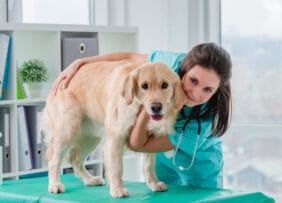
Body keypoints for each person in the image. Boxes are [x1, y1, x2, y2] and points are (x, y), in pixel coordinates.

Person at [52, 42, 232, 189]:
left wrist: (148, 107)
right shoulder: (166, 67)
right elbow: (128, 57)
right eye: (193, 80)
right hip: (163, 166)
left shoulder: (205, 122)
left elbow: (139, 145)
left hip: (199, 168)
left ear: (217, 90)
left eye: (207, 90)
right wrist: (82, 62)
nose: (195, 93)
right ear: (185, 68)